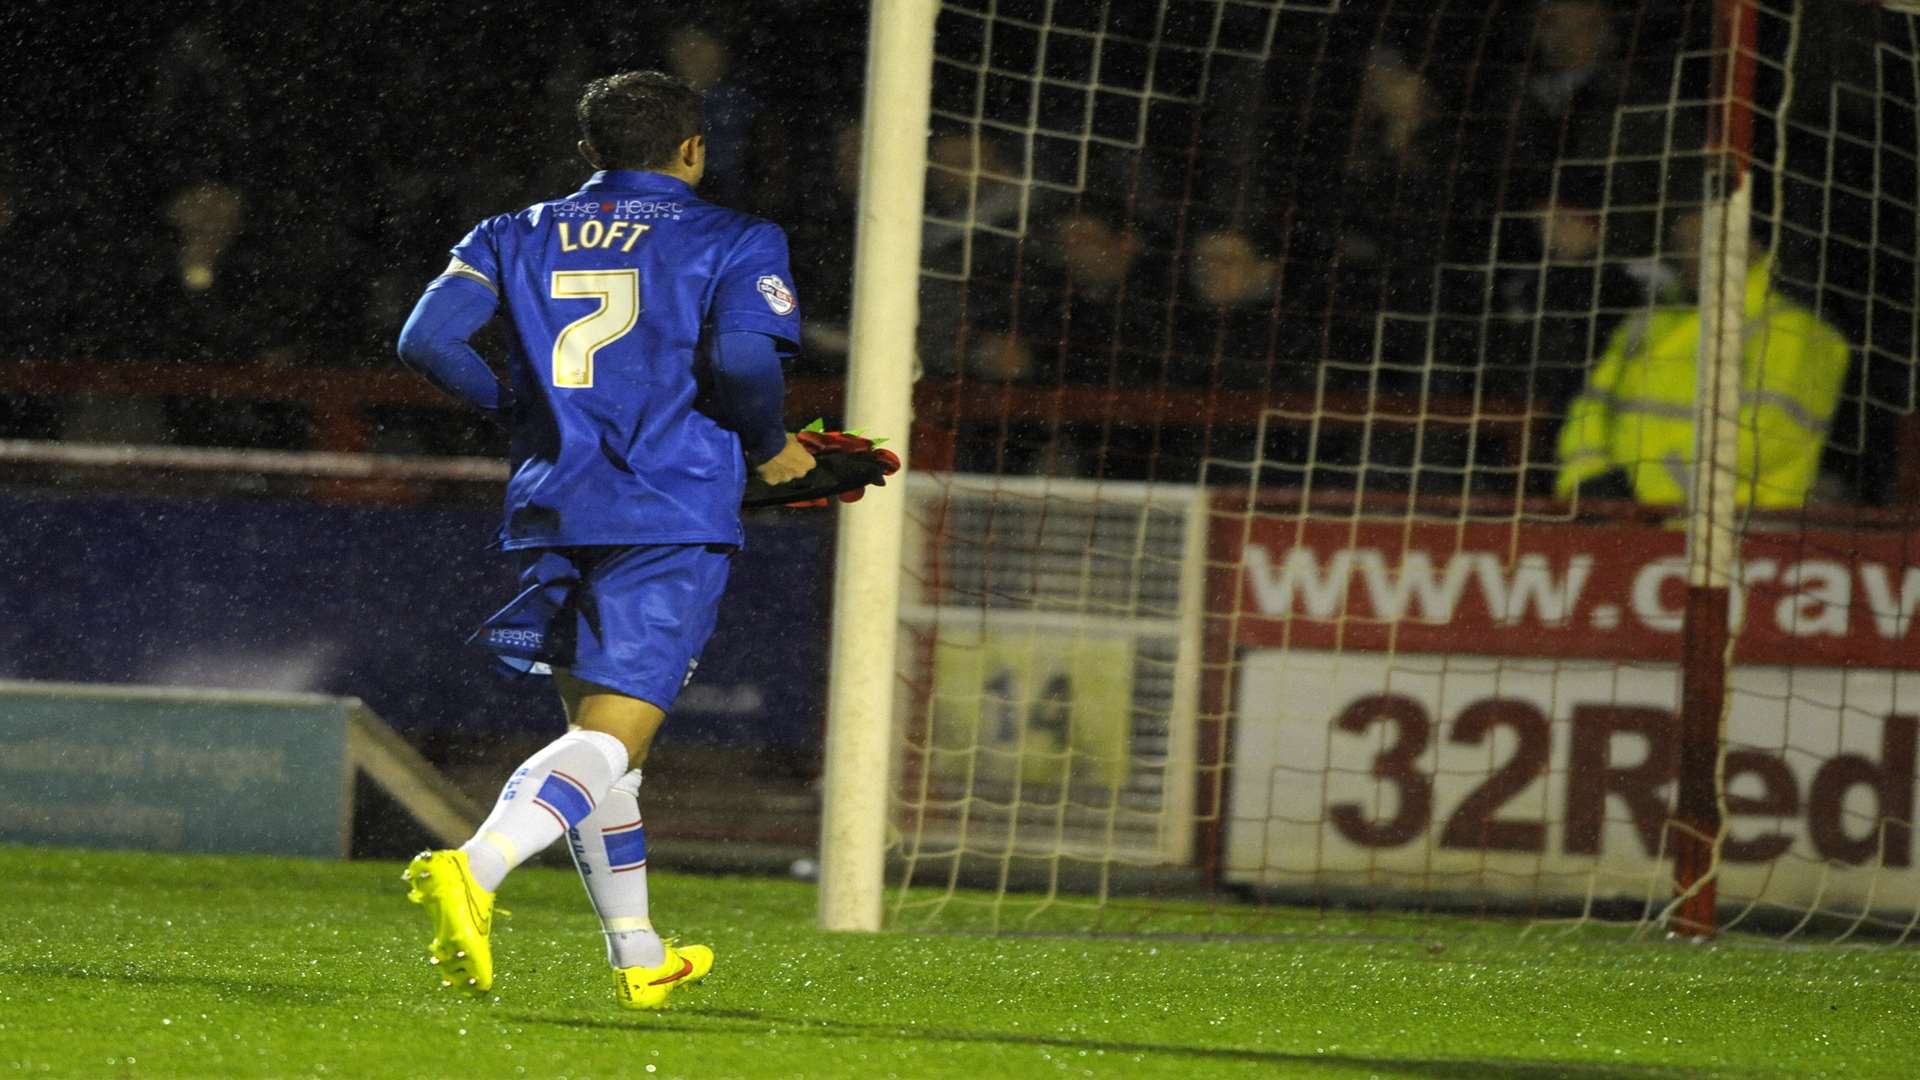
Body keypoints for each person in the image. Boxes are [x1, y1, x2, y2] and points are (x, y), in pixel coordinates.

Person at [393, 70, 816, 1011]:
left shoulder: (510, 232)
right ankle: (476, 866)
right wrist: (769, 445)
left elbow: (426, 341)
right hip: (667, 506)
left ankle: (638, 951)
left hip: (555, 503)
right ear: (695, 148)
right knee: (614, 739)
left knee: (600, 743)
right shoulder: (738, 237)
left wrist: (518, 406)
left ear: (588, 152)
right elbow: (744, 357)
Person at [1555, 211, 1851, 509]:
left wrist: (1641, 486)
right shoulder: (1648, 322)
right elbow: (1589, 410)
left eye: (1709, 241)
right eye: (1684, 242)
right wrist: (1586, 480)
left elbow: (1769, 438)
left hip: (1744, 526)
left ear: (1755, 247)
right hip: (1626, 519)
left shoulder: (1794, 330)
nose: (1693, 253)